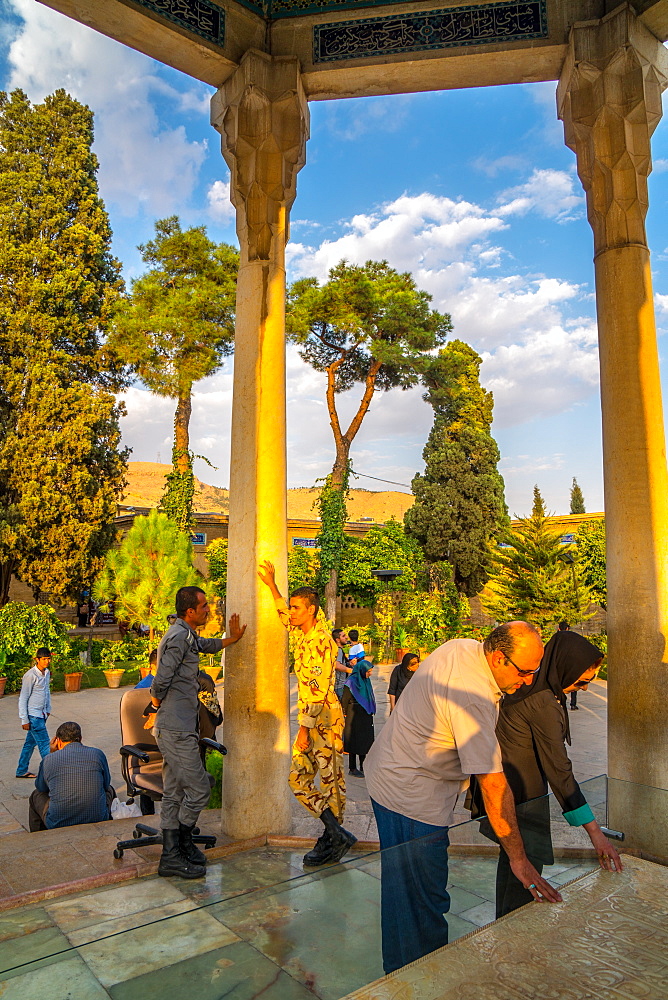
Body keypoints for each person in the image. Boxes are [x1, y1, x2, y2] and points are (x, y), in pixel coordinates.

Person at [364, 622, 562, 975]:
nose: (529, 680)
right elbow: (493, 784)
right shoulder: (471, 696)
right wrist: (519, 860)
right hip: (409, 796)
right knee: (422, 903)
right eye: (525, 672)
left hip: (393, 775)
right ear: (498, 658)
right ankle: (417, 983)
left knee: (403, 893)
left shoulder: (464, 647)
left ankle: (399, 976)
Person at [490, 628, 622, 917]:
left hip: (511, 797)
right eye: (583, 680)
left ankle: (507, 939)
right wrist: (596, 834)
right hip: (521, 801)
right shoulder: (541, 702)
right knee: (523, 881)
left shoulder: (529, 688)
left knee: (514, 873)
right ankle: (516, 944)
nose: (585, 688)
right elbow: (560, 771)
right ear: (566, 668)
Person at [258, 561, 357, 867]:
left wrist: (303, 729)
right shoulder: (302, 633)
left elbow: (318, 690)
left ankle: (331, 839)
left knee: (331, 781)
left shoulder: (321, 643)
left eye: (299, 607)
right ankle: (336, 832)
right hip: (311, 720)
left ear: (312, 610)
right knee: (298, 780)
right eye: (293, 607)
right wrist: (272, 585)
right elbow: (283, 615)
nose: (293, 612)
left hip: (323, 720)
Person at [149, 587, 246, 879]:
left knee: (175, 791)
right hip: (174, 727)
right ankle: (179, 845)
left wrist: (233, 639)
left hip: (180, 726)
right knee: (200, 788)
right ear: (190, 611)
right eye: (203, 606)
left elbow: (205, 645)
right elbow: (162, 677)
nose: (208, 609)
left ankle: (175, 854)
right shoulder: (178, 637)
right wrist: (155, 702)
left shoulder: (185, 633)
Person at [28, 722, 115, 831]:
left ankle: (38, 836)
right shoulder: (97, 754)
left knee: (35, 795)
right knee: (110, 790)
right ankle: (111, 829)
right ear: (80, 738)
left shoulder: (49, 759)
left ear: (58, 741)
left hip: (57, 822)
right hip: (98, 817)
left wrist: (51, 753)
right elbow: (106, 784)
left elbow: (41, 788)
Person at [16, 648, 53, 779]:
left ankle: (21, 770)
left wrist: (48, 709)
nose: (47, 661)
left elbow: (46, 691)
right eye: (44, 659)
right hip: (33, 716)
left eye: (48, 658)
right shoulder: (30, 675)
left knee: (29, 744)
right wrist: (24, 719)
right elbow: (23, 698)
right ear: (37, 659)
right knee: (44, 745)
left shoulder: (47, 673)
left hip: (42, 714)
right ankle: (53, 774)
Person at [342, 658, 376, 776]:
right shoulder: (351, 682)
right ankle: (352, 768)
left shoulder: (366, 681)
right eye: (368, 671)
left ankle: (363, 765)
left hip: (365, 714)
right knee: (354, 740)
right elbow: (345, 699)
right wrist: (344, 713)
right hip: (353, 713)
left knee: (365, 741)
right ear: (362, 670)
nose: (370, 674)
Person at [558, 621, 579, 710]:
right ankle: (573, 704)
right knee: (573, 684)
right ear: (567, 628)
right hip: (570, 665)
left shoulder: (556, 639)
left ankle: (561, 703)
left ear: (559, 628)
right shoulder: (572, 638)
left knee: (560, 685)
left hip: (560, 665)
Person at [332, 628, 352, 700]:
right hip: (339, 686)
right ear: (337, 640)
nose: (346, 637)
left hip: (339, 685)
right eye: (343, 636)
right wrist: (350, 670)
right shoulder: (339, 650)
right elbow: (337, 665)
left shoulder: (336, 649)